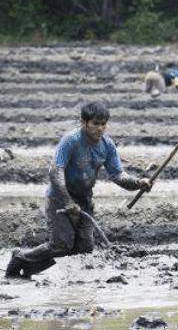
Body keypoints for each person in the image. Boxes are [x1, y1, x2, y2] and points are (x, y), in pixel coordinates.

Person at [5, 102, 152, 279]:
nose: (100, 128)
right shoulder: (71, 140)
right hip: (60, 198)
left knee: (83, 248)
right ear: (84, 122)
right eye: (95, 124)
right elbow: (55, 171)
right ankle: (20, 256)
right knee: (61, 245)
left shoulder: (107, 145)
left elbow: (117, 175)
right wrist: (68, 201)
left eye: (103, 124)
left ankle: (32, 269)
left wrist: (138, 183)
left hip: (84, 200)